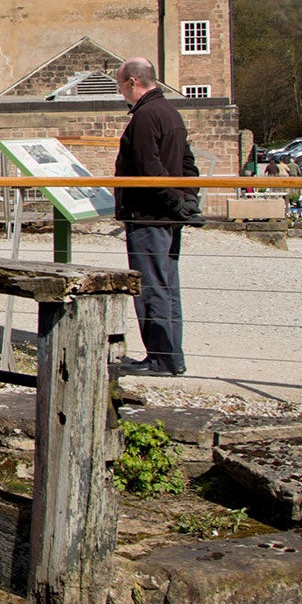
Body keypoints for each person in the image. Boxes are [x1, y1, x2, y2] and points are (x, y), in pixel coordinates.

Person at [114, 57, 190, 375]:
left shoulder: (146, 116)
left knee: (152, 288)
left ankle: (161, 358)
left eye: (120, 86)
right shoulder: (170, 113)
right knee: (166, 286)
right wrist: (187, 202)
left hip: (149, 215)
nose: (120, 93)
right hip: (165, 216)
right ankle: (170, 356)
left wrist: (176, 203)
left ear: (133, 82)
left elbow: (149, 169)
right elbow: (188, 165)